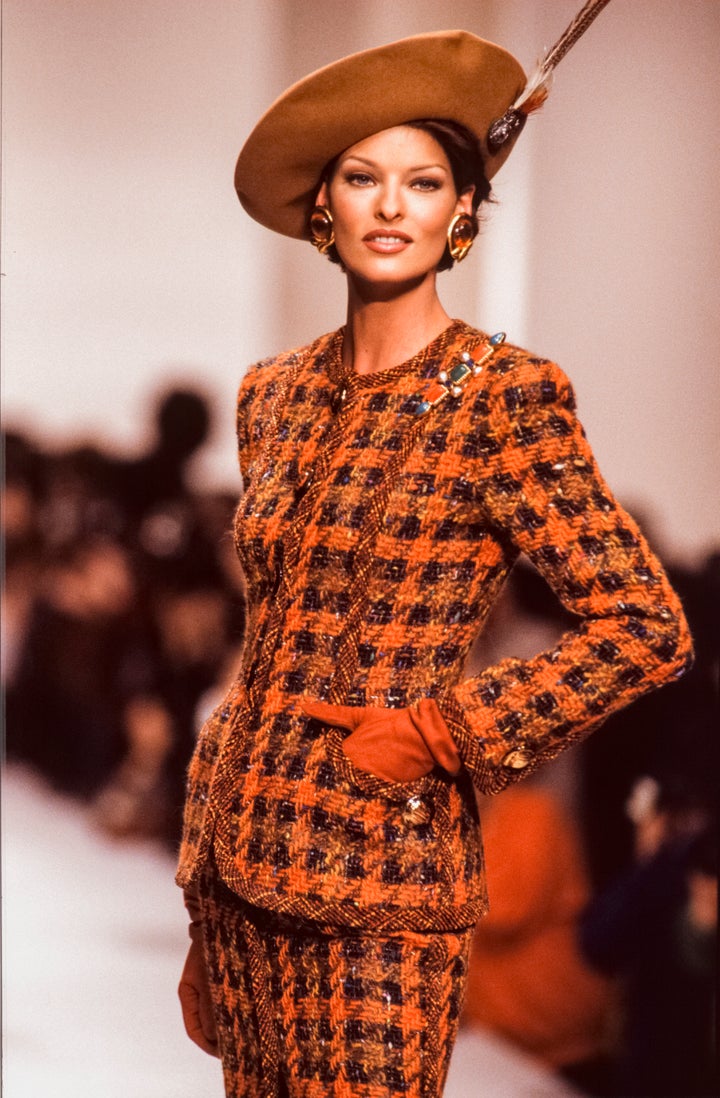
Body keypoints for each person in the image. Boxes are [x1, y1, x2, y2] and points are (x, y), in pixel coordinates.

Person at [175, 20, 693, 1098]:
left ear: (463, 211)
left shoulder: (504, 397)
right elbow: (267, 638)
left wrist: (443, 732)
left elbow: (646, 625)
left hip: (381, 880)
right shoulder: (271, 394)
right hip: (238, 868)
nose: (392, 204)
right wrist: (201, 886)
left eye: (424, 180)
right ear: (324, 202)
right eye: (364, 176)